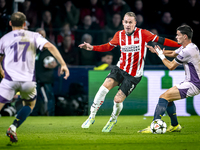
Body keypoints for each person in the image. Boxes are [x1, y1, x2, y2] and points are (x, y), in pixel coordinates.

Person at [78, 12, 181, 132]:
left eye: (130, 22)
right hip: (120, 68)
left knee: (117, 100)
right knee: (103, 88)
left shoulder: (143, 34)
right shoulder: (119, 35)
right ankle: (91, 116)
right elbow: (108, 46)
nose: (128, 24)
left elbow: (161, 40)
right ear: (122, 22)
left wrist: (179, 45)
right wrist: (92, 47)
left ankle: (113, 119)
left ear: (135, 23)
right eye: (126, 22)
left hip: (133, 75)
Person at [0, 12, 69, 143]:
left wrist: (1, 70)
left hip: (9, 80)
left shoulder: (4, 38)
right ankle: (13, 127)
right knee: (30, 105)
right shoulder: (34, 36)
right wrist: (63, 64)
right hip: (27, 81)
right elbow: (50, 46)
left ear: (10, 23)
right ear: (25, 24)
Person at [138, 25, 199, 133]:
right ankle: (175, 125)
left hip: (193, 84)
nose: (176, 37)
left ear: (185, 36)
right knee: (168, 98)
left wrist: (161, 56)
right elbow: (172, 53)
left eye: (178, 35)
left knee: (163, 97)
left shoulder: (187, 51)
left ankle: (155, 125)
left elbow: (171, 66)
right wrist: (158, 51)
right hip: (192, 82)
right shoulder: (188, 47)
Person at [31, 28, 58, 116]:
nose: (40, 36)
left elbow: (57, 61)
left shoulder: (50, 46)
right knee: (35, 98)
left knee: (48, 97)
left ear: (45, 35)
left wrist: (53, 64)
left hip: (46, 78)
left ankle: (50, 114)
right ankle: (35, 115)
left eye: (42, 34)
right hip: (34, 78)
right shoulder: (32, 47)